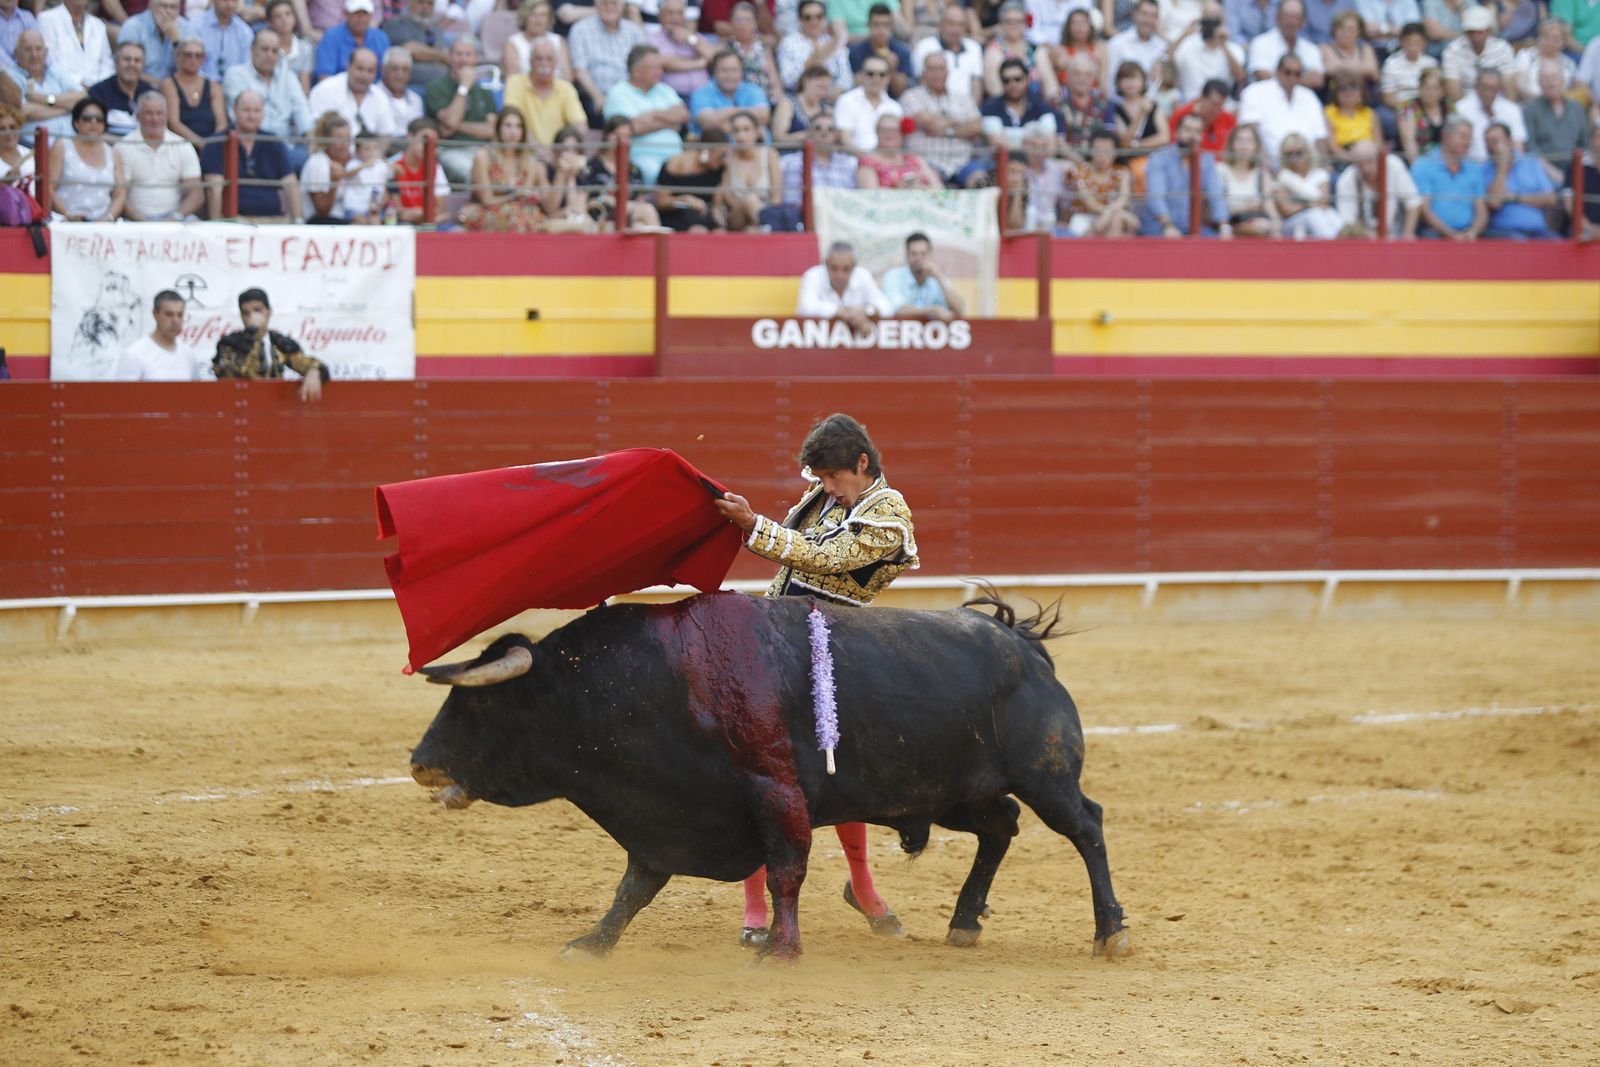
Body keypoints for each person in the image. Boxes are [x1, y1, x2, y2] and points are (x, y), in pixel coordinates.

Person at [710, 413, 918, 951]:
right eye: (820, 477)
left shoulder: (890, 514)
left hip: (837, 650)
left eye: (832, 477)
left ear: (863, 464)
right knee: (757, 767)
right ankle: (754, 902)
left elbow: (826, 559)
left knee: (839, 771)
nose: (824, 486)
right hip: (778, 638)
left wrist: (753, 526)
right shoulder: (823, 497)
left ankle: (863, 885)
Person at [214, 288, 328, 403]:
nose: (252, 317)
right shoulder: (229, 344)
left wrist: (314, 372)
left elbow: (305, 363)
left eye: (257, 310)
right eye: (246, 313)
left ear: (269, 311)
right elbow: (240, 372)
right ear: (241, 316)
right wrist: (253, 334)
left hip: (273, 409)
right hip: (240, 408)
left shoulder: (279, 343)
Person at [203, 88, 300, 219]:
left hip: (273, 221)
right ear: (234, 110)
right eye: (246, 110)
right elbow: (214, 190)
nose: (252, 116)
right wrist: (217, 227)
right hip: (235, 221)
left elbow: (291, 184)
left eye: (257, 111)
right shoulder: (217, 143)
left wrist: (298, 222)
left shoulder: (273, 142)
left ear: (263, 113)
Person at [603, 44, 688, 184]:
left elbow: (683, 114)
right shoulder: (618, 93)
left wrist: (652, 115)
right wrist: (670, 122)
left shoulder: (663, 89)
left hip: (677, 155)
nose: (660, 72)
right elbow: (628, 129)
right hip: (640, 159)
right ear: (637, 72)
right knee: (656, 174)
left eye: (660, 67)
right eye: (654, 68)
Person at [458, 105, 549, 230]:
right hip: (489, 211)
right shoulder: (484, 156)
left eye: (518, 126)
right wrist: (513, 195)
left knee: (538, 220)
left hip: (520, 212)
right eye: (508, 126)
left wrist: (536, 195)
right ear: (498, 129)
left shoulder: (529, 161)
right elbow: (486, 200)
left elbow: (527, 198)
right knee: (518, 220)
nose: (513, 132)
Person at [900, 51, 984, 187]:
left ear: (947, 72)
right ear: (923, 73)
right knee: (930, 183)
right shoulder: (911, 96)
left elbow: (976, 127)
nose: (937, 74)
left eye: (941, 69)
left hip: (962, 161)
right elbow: (928, 122)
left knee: (982, 182)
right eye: (932, 69)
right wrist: (960, 123)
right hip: (927, 161)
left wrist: (946, 131)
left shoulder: (964, 98)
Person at [116, 90, 203, 220]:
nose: (155, 119)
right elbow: (120, 194)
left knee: (195, 226)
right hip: (135, 220)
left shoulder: (183, 145)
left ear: (167, 115)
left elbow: (196, 194)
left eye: (159, 113)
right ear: (138, 116)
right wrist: (141, 220)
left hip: (175, 218)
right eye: (149, 113)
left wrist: (174, 217)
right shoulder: (123, 147)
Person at [223, 28, 314, 151]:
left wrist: (312, 142)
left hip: (285, 146)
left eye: (275, 51)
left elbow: (302, 110)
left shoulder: (288, 76)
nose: (270, 55)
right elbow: (241, 118)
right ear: (252, 50)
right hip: (250, 146)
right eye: (265, 49)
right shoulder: (236, 74)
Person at [1140, 109, 1229, 234]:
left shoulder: (1206, 160)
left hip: (1192, 228)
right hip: (1158, 227)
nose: (1192, 136)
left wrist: (1224, 226)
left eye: (1197, 131)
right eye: (1187, 130)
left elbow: (1216, 194)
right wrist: (1168, 226)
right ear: (1177, 132)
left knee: (1219, 245)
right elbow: (1156, 196)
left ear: (1202, 136)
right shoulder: (1159, 157)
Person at [1238, 52, 1330, 167]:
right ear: (1277, 72)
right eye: (1288, 72)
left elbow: (1320, 137)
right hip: (1270, 166)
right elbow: (1251, 131)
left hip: (1308, 168)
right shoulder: (1255, 92)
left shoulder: (1309, 96)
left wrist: (1325, 166)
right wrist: (1267, 167)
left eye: (1297, 74)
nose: (1292, 77)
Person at [423, 36, 496, 181]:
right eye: (458, 54)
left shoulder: (485, 92)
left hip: (483, 150)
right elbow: (451, 120)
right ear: (449, 57)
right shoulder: (436, 87)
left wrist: (456, 126)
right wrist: (463, 88)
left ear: (475, 59)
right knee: (474, 175)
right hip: (452, 150)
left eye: (468, 54)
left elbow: (491, 130)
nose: (463, 59)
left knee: (503, 173)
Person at [773, 110, 856, 228]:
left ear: (837, 135)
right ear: (809, 133)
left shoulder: (850, 163)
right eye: (818, 128)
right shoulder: (792, 162)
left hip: (843, 221)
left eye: (830, 129)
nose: (824, 133)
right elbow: (792, 202)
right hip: (807, 222)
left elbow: (853, 199)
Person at [576, 117, 662, 228]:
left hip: (629, 214)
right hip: (599, 213)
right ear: (607, 135)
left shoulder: (634, 170)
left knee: (639, 225)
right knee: (647, 211)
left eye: (627, 136)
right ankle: (662, 244)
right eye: (617, 135)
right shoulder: (591, 166)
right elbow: (584, 198)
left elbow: (640, 198)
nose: (622, 140)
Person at [1410, 116, 1487, 238]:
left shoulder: (1474, 169)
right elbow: (1424, 209)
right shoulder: (1424, 165)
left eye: (1469, 137)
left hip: (1469, 234)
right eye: (1462, 136)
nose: (1467, 142)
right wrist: (1452, 234)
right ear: (1446, 135)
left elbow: (1481, 209)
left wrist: (1473, 232)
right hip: (1434, 233)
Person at [50, 97, 125, 220]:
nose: (94, 122)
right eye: (87, 118)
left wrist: (109, 218)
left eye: (99, 119)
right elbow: (49, 188)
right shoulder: (62, 146)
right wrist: (66, 215)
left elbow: (120, 194)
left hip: (103, 226)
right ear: (76, 122)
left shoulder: (113, 153)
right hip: (66, 223)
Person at [1480, 120, 1558, 238]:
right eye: (1488, 142)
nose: (1491, 147)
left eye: (1495, 141)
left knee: (1556, 244)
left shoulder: (1531, 162)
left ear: (1510, 142)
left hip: (1537, 229)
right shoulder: (1483, 169)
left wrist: (1514, 198)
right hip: (1503, 230)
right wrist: (1502, 167)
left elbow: (1551, 199)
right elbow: (1495, 203)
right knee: (1518, 242)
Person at [569, 0, 647, 117]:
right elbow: (580, 71)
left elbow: (643, 65)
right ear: (596, 5)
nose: (610, 7)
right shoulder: (580, 29)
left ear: (623, 6)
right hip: (595, 94)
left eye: (614, 3)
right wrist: (598, 97)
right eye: (605, 3)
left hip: (630, 93)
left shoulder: (634, 31)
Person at [7, 29, 83, 145]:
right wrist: (67, 108)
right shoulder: (9, 77)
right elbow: (23, 111)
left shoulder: (55, 71)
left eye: (38, 49)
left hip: (73, 144)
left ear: (46, 53)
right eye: (28, 49)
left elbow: (82, 97)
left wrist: (44, 99)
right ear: (17, 54)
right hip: (34, 148)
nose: (34, 54)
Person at [502, 37, 585, 143]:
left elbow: (580, 125)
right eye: (539, 59)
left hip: (559, 154)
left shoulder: (566, 88)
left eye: (549, 59)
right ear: (530, 61)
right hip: (524, 154)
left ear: (556, 63)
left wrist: (561, 149)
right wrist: (540, 151)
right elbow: (512, 122)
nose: (544, 64)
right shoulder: (514, 83)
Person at [796, 240, 895, 329]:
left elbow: (887, 308)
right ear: (825, 264)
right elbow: (805, 308)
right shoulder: (813, 276)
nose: (840, 275)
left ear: (854, 267)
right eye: (834, 268)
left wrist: (866, 311)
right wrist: (841, 312)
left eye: (846, 269)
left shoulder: (863, 276)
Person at [1521, 61, 1589, 185]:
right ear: (1539, 82)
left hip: (1575, 169)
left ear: (1563, 80)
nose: (1551, 83)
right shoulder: (1530, 109)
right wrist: (1552, 172)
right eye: (1545, 78)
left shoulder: (1576, 108)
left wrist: (1575, 172)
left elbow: (1585, 145)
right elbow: (1531, 148)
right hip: (1542, 171)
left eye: (1554, 77)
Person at [310, 45, 397, 139]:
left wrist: (374, 152)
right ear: (349, 67)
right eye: (360, 69)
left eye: (370, 71)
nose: (364, 75)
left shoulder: (380, 97)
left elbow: (385, 135)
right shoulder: (325, 90)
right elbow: (318, 133)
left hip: (369, 152)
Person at [1065, 127, 1139, 235]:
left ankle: (1110, 251)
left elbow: (1123, 199)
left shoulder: (1122, 172)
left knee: (1117, 220)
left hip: (1113, 215)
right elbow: (1090, 204)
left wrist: (1109, 213)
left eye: (1107, 151)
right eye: (1098, 150)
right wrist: (1108, 212)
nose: (1102, 156)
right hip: (1084, 219)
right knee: (1118, 218)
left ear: (1115, 152)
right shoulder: (1079, 171)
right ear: (1091, 150)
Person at [1169, 0, 1246, 103]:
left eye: (1215, 18)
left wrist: (1224, 45)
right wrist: (1184, 35)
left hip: (1221, 106)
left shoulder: (1233, 49)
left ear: (1223, 20)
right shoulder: (1186, 44)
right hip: (1191, 105)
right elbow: (1165, 63)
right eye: (1207, 17)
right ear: (1201, 19)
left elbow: (1240, 78)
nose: (1211, 22)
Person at [115, 290, 200, 381]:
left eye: (180, 315)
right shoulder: (134, 355)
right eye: (169, 314)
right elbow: (122, 394)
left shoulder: (188, 354)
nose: (176, 320)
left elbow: (194, 393)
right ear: (155, 314)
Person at [653, 126, 727, 230]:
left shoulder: (720, 169)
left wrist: (717, 210)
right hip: (678, 214)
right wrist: (685, 199)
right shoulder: (674, 165)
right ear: (707, 150)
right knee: (698, 230)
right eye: (721, 155)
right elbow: (661, 202)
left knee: (720, 231)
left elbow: (717, 204)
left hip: (704, 215)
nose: (723, 159)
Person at [880, 231, 965, 320]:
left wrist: (938, 278)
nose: (919, 258)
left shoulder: (937, 277)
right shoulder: (893, 276)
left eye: (923, 254)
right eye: (914, 254)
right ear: (906, 255)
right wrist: (931, 310)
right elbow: (898, 310)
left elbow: (959, 308)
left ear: (930, 254)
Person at [161, 36, 226, 151]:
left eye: (198, 55)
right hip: (180, 147)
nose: (193, 59)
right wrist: (202, 144)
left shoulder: (213, 86)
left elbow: (221, 123)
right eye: (188, 55)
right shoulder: (169, 84)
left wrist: (212, 145)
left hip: (211, 147)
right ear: (178, 56)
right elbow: (173, 122)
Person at [1441, 5, 1515, 103]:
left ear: (1488, 30)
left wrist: (1507, 111)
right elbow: (1453, 88)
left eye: (1479, 31)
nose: (1475, 36)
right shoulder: (1452, 50)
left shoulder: (1502, 48)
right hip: (1465, 105)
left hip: (1497, 103)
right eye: (1471, 32)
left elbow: (1509, 84)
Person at [722, 107, 781, 230]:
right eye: (736, 131)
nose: (741, 135)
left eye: (746, 130)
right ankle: (769, 230)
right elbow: (727, 197)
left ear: (757, 132)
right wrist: (746, 205)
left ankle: (763, 227)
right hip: (736, 216)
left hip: (765, 214)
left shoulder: (769, 154)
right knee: (750, 199)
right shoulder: (728, 157)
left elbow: (776, 197)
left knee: (751, 230)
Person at [911, 4, 985, 102]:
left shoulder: (974, 47)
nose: (955, 30)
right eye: (951, 23)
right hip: (933, 105)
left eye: (960, 24)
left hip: (966, 108)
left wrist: (971, 109)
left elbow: (976, 84)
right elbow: (921, 82)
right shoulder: (924, 46)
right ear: (940, 24)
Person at [776, 0, 852, 95]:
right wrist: (813, 60)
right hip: (800, 98)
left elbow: (847, 80)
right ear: (800, 20)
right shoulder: (788, 43)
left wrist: (836, 91)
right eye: (807, 18)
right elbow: (787, 81)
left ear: (825, 19)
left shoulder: (833, 43)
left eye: (819, 17)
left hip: (833, 98)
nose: (814, 22)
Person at [1273, 132, 1341, 236]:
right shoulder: (1282, 177)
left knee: (1330, 214)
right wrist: (1309, 205)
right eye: (1289, 154)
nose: (1294, 158)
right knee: (1313, 215)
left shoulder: (1319, 174)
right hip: (1292, 224)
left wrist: (1304, 205)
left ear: (1308, 152)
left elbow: (1324, 202)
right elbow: (1286, 210)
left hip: (1321, 215)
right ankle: (1330, 247)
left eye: (1299, 153)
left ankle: (1344, 244)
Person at [1246, 0, 1325, 91]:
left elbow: (1317, 80)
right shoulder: (1260, 43)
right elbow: (1263, 75)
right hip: (1265, 99)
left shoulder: (1310, 48)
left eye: (1295, 17)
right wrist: (1301, 79)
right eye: (1286, 16)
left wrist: (1282, 77)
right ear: (1277, 17)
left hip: (1301, 101)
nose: (1290, 21)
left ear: (1303, 21)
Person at [690, 48, 771, 136]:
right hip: (717, 148)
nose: (730, 75)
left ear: (742, 71)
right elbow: (706, 123)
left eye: (734, 70)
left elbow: (764, 116)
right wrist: (749, 126)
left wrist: (729, 112)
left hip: (757, 148)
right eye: (724, 70)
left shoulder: (753, 89)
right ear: (714, 72)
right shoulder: (701, 92)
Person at [1218, 121, 1280, 235]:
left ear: (1256, 146)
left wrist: (1276, 224)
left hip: (1258, 226)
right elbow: (1215, 209)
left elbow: (1270, 208)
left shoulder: (1261, 173)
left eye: (1249, 141)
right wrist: (1248, 208)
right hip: (1228, 226)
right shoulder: (1220, 170)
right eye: (1239, 140)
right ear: (1231, 143)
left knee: (1265, 225)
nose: (1244, 145)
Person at [87, 41, 159, 139]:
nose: (132, 64)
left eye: (137, 60)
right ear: (116, 62)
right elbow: (93, 133)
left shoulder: (151, 93)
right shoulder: (99, 92)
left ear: (143, 65)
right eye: (127, 59)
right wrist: (127, 145)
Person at [37, 0, 112, 92]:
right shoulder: (46, 19)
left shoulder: (98, 25)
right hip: (63, 91)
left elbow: (107, 63)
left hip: (99, 92)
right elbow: (50, 61)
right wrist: (79, 86)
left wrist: (98, 87)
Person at [647, 0, 716, 100]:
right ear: (660, 15)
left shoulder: (694, 37)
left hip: (703, 94)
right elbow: (666, 63)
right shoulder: (653, 39)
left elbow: (714, 57)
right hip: (673, 96)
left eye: (679, 13)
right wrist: (701, 63)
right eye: (670, 13)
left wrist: (691, 39)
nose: (675, 17)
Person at [833, 54, 901, 152]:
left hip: (886, 163)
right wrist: (869, 160)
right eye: (870, 73)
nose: (876, 79)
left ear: (888, 78)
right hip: (853, 161)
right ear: (862, 75)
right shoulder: (846, 101)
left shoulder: (895, 107)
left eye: (882, 74)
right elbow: (844, 139)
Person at [1454, 67, 1524, 162]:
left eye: (1493, 89)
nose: (1488, 93)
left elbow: (1518, 147)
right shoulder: (1460, 109)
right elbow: (1456, 148)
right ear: (1476, 87)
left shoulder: (1512, 110)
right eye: (1484, 88)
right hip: (1471, 167)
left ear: (1500, 89)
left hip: (1506, 165)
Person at [858, 111, 943, 188]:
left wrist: (920, 187)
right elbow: (869, 194)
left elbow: (938, 188)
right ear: (877, 132)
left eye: (894, 130)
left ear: (901, 133)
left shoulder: (914, 158)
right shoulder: (868, 162)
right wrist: (896, 189)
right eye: (884, 130)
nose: (889, 134)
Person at [118, 0, 196, 84]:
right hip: (139, 86)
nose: (168, 12)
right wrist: (162, 86)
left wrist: (176, 41)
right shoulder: (133, 26)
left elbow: (189, 70)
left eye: (173, 7)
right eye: (163, 6)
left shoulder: (187, 28)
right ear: (151, 6)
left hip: (175, 88)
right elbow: (127, 69)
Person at [390, 114, 450, 222]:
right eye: (424, 140)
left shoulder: (435, 167)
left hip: (430, 224)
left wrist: (421, 215)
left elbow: (441, 209)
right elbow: (397, 212)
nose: (429, 147)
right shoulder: (392, 165)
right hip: (402, 225)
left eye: (433, 143)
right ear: (409, 137)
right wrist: (424, 214)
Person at [314, 0, 392, 81]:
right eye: (356, 14)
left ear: (371, 16)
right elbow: (325, 76)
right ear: (346, 14)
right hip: (338, 90)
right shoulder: (331, 36)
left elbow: (386, 74)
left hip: (373, 90)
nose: (361, 18)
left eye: (365, 14)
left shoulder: (381, 37)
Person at [384, 0, 450, 89]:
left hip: (441, 87)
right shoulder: (397, 23)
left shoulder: (436, 29)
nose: (425, 7)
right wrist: (442, 56)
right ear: (409, 3)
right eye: (421, 2)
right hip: (412, 86)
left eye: (430, 4)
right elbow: (411, 50)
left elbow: (449, 57)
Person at [852, 3, 914, 98]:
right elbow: (856, 85)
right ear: (868, 25)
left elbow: (900, 92)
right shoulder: (857, 51)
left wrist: (892, 69)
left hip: (892, 102)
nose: (881, 30)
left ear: (891, 27)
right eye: (876, 25)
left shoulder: (902, 51)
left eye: (885, 25)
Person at [1037, 8, 1099, 99]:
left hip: (1094, 101)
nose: (1079, 27)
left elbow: (1104, 83)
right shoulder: (1059, 51)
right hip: (1067, 101)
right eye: (1075, 23)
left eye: (1083, 22)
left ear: (1090, 26)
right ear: (1068, 27)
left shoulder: (1099, 49)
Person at [1109, 59, 1169, 152]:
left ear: (1143, 81)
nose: (1130, 82)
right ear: (1118, 82)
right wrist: (1140, 113)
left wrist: (1138, 145)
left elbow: (1164, 137)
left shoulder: (1153, 104)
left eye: (1134, 77)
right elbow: (1124, 143)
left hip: (1154, 159)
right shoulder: (1115, 109)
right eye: (1126, 78)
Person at [505, 0, 573, 81]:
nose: (539, 20)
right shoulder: (513, 43)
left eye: (543, 15)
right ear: (524, 17)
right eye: (534, 14)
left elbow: (568, 78)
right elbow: (512, 79)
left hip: (557, 91)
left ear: (549, 18)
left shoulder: (558, 41)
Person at [1106, 0, 1168, 87]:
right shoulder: (1117, 44)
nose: (1148, 20)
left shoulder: (1163, 47)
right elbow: (1110, 84)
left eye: (1153, 16)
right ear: (1134, 14)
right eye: (1144, 14)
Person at [1512, 18, 1576, 101]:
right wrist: (1542, 105)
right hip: (1529, 104)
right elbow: (1520, 87)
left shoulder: (1569, 65)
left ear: (1563, 42)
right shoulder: (1525, 56)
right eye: (1546, 37)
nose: (1549, 42)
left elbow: (1569, 94)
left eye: (1555, 38)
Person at [1319, 10, 1377, 99]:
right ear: (1334, 30)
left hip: (1365, 100)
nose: (1345, 33)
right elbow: (1331, 69)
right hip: (1334, 101)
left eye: (1350, 29)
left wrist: (1341, 67)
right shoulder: (1325, 48)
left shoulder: (1366, 48)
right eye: (1341, 28)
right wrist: (1361, 68)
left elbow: (1373, 71)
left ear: (1359, 32)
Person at [1379, 22, 1437, 111]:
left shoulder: (1431, 63)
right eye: (1408, 42)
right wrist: (1410, 109)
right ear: (1401, 41)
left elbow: (1436, 92)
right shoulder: (1391, 63)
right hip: (1400, 108)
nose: (1412, 47)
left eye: (1417, 42)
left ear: (1424, 43)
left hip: (1427, 108)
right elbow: (1388, 98)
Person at [1168, 77, 1236, 150]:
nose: (1217, 110)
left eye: (1221, 105)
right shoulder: (1180, 116)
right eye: (1214, 104)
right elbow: (1172, 146)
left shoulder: (1229, 120)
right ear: (1202, 97)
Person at [1324, 73, 1377, 166]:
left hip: (1369, 158)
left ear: (1361, 91)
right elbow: (1332, 146)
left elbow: (1378, 144)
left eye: (1353, 87)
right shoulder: (1328, 113)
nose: (1349, 91)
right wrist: (1351, 159)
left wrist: (1366, 159)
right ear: (1336, 92)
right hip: (1342, 161)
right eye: (1343, 88)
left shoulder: (1370, 113)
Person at [196, 0, 257, 82]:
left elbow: (247, 68)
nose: (230, 4)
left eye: (234, 0)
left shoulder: (245, 31)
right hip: (201, 86)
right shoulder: (196, 25)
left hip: (234, 87)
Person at [770, 62, 833, 138]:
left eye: (826, 88)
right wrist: (809, 135)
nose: (822, 92)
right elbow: (778, 137)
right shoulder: (788, 104)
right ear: (806, 82)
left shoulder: (826, 109)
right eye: (819, 87)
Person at [1397, 65, 1445, 163]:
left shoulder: (1448, 106)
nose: (1431, 92)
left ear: (1442, 90)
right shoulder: (1407, 108)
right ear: (1419, 88)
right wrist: (1419, 169)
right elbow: (1409, 143)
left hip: (1446, 162)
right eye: (1427, 87)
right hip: (1421, 162)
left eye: (1435, 88)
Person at [266, 0, 315, 94]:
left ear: (295, 17)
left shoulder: (306, 48)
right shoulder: (266, 48)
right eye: (278, 16)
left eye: (288, 14)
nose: (284, 19)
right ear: (270, 22)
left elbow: (305, 88)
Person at [377, 48, 426, 130]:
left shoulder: (416, 99)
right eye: (395, 69)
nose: (400, 75)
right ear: (384, 70)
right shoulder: (373, 96)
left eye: (405, 70)